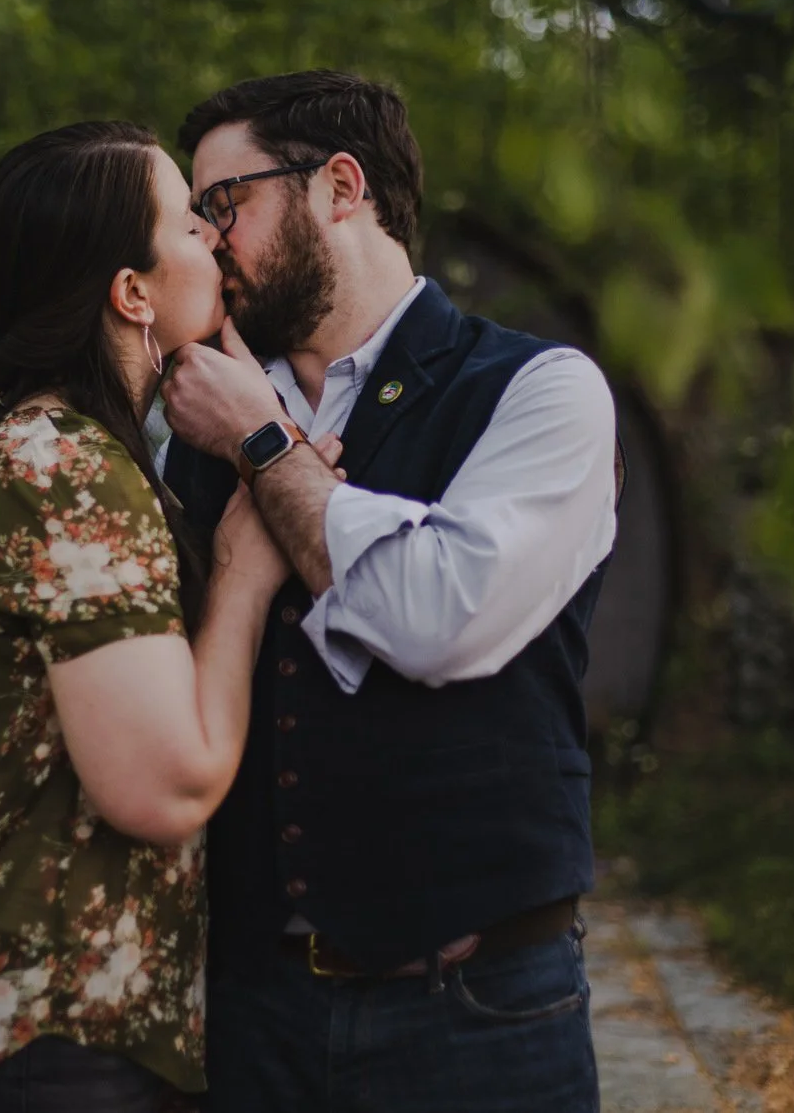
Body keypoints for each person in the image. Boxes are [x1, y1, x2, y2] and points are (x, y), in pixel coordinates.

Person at [0, 120, 342, 1113]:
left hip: (30, 1038)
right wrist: (243, 574)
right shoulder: (61, 469)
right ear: (130, 293)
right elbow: (167, 786)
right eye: (188, 223)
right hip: (37, 1042)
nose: (213, 236)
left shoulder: (40, 449)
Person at [158, 71, 622, 1113]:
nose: (205, 241)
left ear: (340, 187)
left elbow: (437, 618)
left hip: (479, 1012)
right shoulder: (185, 420)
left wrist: (264, 448)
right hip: (251, 1015)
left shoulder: (540, 393)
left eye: (222, 204)